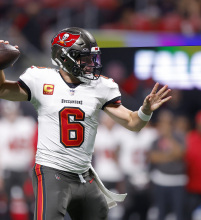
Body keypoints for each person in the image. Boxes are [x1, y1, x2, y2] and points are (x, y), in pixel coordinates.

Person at [0, 27, 171, 220]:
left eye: (92, 57)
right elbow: (3, 90)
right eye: (84, 57)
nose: (90, 63)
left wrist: (145, 110)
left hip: (84, 175)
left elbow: (133, 123)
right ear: (64, 58)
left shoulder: (101, 87)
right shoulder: (41, 79)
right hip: (51, 172)